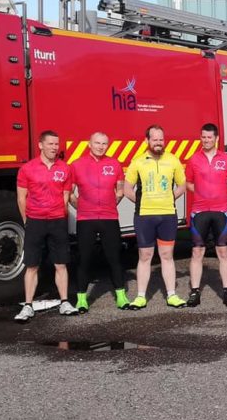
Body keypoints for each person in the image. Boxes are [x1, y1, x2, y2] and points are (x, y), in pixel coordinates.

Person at [14, 130, 78, 322]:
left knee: (61, 263)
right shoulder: (27, 169)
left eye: (56, 144)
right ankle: (28, 306)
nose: (54, 148)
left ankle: (65, 302)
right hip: (35, 221)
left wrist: (63, 217)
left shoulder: (65, 168)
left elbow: (66, 197)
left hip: (57, 221)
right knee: (32, 265)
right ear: (41, 145)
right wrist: (27, 220)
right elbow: (21, 198)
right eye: (50, 144)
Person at [123, 125, 187, 309]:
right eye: (155, 139)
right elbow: (127, 189)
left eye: (161, 139)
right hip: (144, 216)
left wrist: (169, 198)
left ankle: (172, 295)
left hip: (167, 215)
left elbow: (182, 186)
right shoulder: (138, 161)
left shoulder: (173, 160)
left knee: (167, 255)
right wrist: (141, 201)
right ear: (147, 141)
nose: (158, 143)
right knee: (145, 255)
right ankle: (141, 296)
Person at [70, 132, 128, 312]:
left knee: (114, 258)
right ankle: (81, 299)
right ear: (89, 144)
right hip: (86, 219)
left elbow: (120, 190)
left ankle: (121, 296)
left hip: (109, 218)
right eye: (97, 143)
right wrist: (81, 206)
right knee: (84, 259)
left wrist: (111, 203)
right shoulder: (77, 165)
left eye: (104, 143)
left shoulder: (114, 164)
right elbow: (70, 193)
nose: (101, 146)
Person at [185, 123, 227, 308]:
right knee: (197, 251)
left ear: (216, 139)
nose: (206, 140)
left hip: (221, 210)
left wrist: (221, 194)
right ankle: (195, 291)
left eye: (209, 137)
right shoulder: (193, 159)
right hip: (199, 211)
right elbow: (189, 183)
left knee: (223, 251)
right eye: (203, 137)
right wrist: (201, 193)